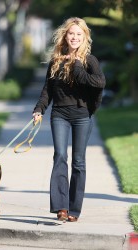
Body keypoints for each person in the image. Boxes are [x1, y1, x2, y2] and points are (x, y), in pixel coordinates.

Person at [32, 17, 106, 222]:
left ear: (84, 37)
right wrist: (39, 109)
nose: (74, 37)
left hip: (82, 116)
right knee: (60, 156)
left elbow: (98, 83)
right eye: (71, 33)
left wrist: (76, 65)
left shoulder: (89, 61)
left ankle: (74, 209)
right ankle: (60, 207)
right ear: (65, 35)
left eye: (78, 34)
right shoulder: (56, 60)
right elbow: (47, 90)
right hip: (60, 115)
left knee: (79, 162)